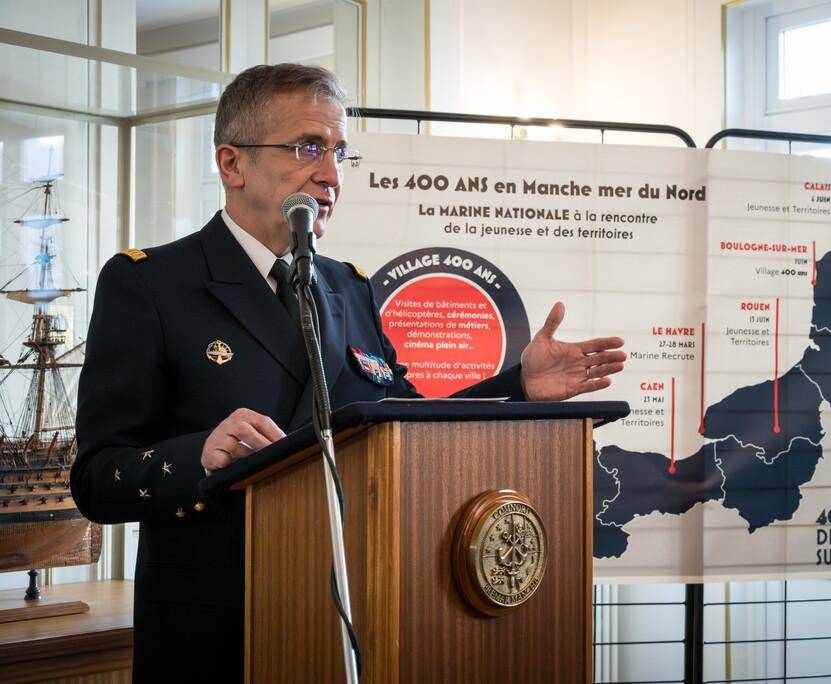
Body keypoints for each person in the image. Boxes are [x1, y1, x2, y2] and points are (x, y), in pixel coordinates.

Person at [71, 63, 625, 681]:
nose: (331, 175)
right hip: (220, 633)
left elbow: (405, 427)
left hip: (358, 617)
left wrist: (517, 387)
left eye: (339, 152)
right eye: (308, 147)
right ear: (232, 164)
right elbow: (97, 480)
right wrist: (199, 454)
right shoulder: (150, 284)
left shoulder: (347, 287)